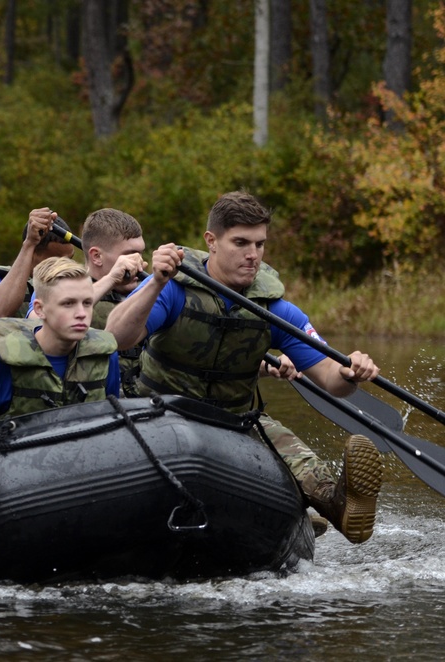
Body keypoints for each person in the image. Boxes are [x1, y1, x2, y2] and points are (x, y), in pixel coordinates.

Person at [106, 191, 383, 544]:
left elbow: (331, 380)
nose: (252, 255)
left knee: (290, 450)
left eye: (260, 244)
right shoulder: (173, 287)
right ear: (212, 242)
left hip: (234, 419)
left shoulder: (276, 310)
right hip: (161, 415)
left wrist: (350, 373)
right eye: (240, 242)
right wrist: (156, 282)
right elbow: (117, 336)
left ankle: (335, 502)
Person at [0, 257, 120, 426]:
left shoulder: (104, 356)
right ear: (40, 309)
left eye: (87, 303)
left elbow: (112, 422)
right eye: (68, 303)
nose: (81, 313)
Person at [81, 208, 147, 396]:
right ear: (97, 256)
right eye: (130, 254)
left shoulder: (148, 289)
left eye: (141, 253)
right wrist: (111, 279)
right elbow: (43, 322)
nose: (140, 263)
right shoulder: (62, 285)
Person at [0, 208, 74, 326]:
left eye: (70, 259)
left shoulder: (73, 282)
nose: (65, 267)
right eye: (56, 261)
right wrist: (30, 243)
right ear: (33, 253)